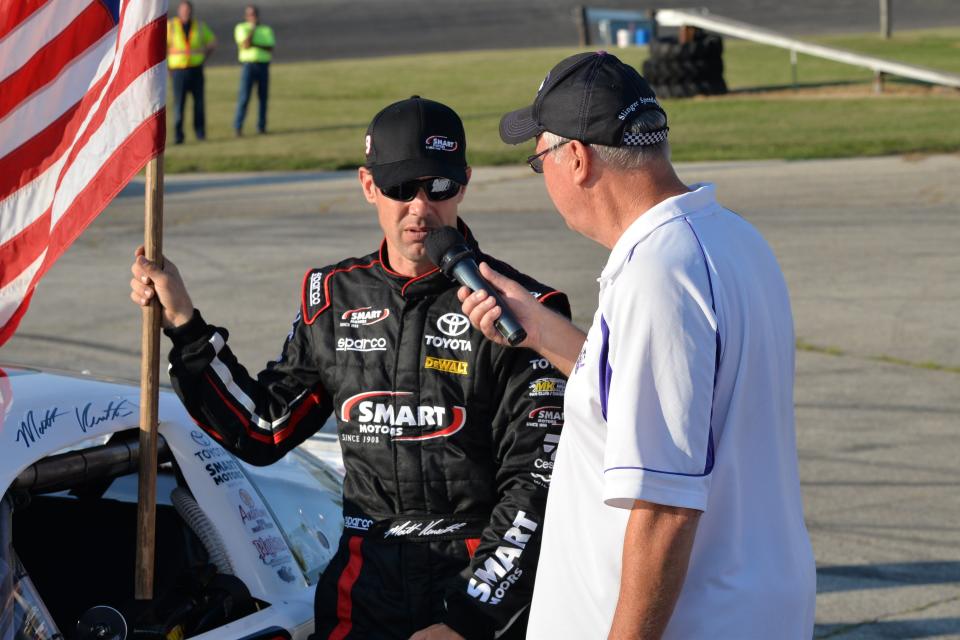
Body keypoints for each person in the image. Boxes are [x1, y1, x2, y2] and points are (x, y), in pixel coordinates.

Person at [129, 96, 570, 640]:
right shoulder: (332, 296)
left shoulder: (524, 308)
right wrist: (184, 323)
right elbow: (263, 429)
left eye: (439, 187)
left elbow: (537, 485)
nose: (420, 208)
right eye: (399, 188)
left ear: (464, 183)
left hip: (475, 585)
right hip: (364, 586)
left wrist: (468, 619)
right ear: (368, 185)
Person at [459, 52, 816, 639]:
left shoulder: (658, 275)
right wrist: (539, 326)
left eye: (537, 159)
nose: (542, 176)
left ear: (575, 158)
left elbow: (665, 508)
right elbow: (644, 397)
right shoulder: (728, 237)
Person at [167, 0, 215, 144]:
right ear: (179, 11)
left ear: (191, 11)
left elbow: (212, 42)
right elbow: (163, 46)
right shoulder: (171, 26)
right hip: (178, 70)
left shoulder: (199, 26)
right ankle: (178, 136)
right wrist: (168, 67)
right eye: (183, 9)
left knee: (199, 103)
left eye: (188, 9)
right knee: (179, 104)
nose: (185, 12)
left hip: (196, 69)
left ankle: (200, 134)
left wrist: (203, 56)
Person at [233, 5, 275, 136]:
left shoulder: (266, 29)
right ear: (246, 16)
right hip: (248, 66)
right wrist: (252, 29)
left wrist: (255, 44)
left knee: (263, 98)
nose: (253, 17)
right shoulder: (241, 28)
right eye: (250, 14)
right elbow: (245, 44)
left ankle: (261, 126)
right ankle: (238, 126)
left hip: (263, 65)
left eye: (254, 14)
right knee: (244, 97)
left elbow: (270, 47)